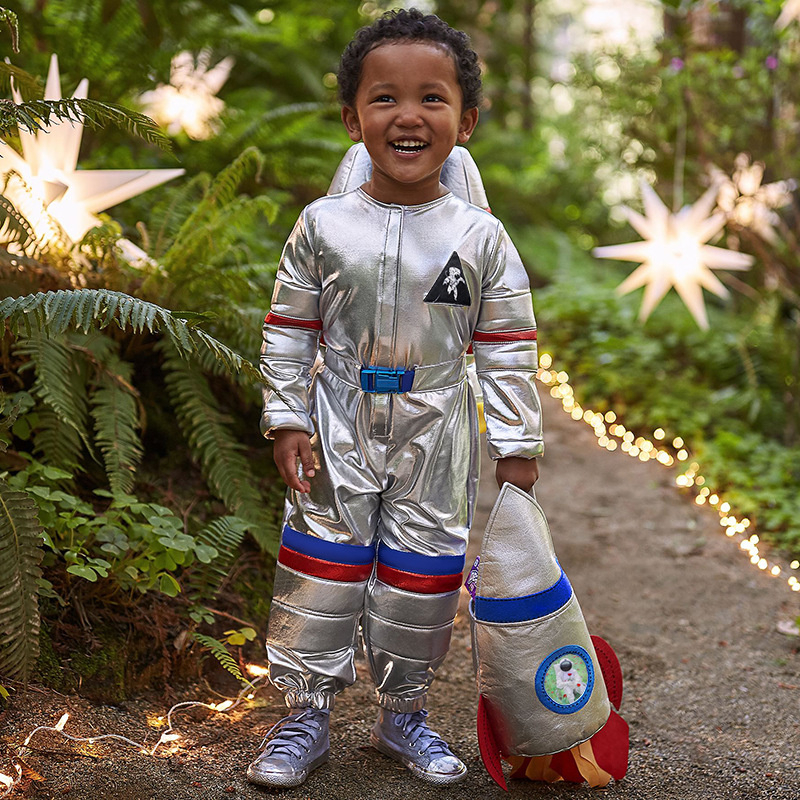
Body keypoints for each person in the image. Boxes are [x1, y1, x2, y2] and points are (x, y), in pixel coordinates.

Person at [248, 7, 543, 789]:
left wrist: (516, 445)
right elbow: (289, 328)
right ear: (353, 117)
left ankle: (402, 714)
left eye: (432, 98)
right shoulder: (322, 226)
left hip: (439, 423)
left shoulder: (480, 238)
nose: (407, 115)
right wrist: (286, 418)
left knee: (424, 571)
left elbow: (507, 343)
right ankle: (304, 712)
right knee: (322, 563)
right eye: (384, 98)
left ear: (466, 120)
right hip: (336, 415)